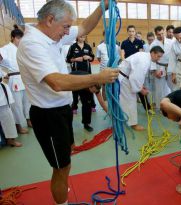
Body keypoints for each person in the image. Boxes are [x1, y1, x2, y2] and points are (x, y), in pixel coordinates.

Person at [16, 1, 119, 205]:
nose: (68, 32)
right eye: (65, 27)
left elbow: (83, 28)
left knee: (66, 161)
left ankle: (62, 194)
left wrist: (103, 6)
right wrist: (96, 78)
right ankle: (61, 202)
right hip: (48, 116)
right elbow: (56, 82)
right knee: (60, 167)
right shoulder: (32, 44)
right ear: (50, 19)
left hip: (60, 110)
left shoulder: (50, 35)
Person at [119, 46, 164, 131]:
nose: (159, 59)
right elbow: (135, 77)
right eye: (158, 56)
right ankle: (133, 124)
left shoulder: (145, 57)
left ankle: (123, 120)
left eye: (160, 57)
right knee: (130, 102)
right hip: (125, 79)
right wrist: (141, 89)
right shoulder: (144, 61)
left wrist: (141, 86)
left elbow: (138, 76)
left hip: (126, 77)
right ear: (153, 53)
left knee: (125, 101)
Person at [0, 25, 31, 134]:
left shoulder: (23, 49)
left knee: (27, 101)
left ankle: (28, 119)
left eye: (21, 38)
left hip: (24, 77)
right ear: (13, 38)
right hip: (14, 78)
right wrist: (4, 73)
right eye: (18, 38)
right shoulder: (6, 48)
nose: (19, 40)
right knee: (16, 104)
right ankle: (18, 126)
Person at [66, 35, 95, 132]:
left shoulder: (88, 46)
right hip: (75, 77)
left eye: (83, 36)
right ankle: (68, 125)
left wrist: (89, 57)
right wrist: (75, 59)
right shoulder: (73, 47)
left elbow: (92, 58)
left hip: (87, 77)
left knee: (86, 101)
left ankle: (86, 123)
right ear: (77, 37)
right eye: (80, 36)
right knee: (73, 100)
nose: (82, 38)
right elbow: (67, 59)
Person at [120, 25, 151, 113]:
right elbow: (122, 55)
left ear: (135, 32)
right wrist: (124, 63)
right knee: (128, 87)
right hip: (127, 68)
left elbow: (141, 54)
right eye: (129, 31)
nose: (131, 33)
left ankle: (147, 108)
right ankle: (127, 109)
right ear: (127, 32)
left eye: (133, 31)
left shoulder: (139, 42)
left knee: (139, 85)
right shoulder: (124, 43)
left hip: (137, 68)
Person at [150, 26, 173, 108]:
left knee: (173, 87)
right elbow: (151, 58)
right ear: (156, 34)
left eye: (162, 33)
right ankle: (160, 107)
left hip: (170, 67)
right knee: (159, 89)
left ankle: (173, 105)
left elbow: (174, 56)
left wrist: (174, 70)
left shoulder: (170, 42)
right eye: (159, 34)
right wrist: (155, 71)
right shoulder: (153, 44)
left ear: (164, 32)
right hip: (159, 67)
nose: (161, 35)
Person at [0, 66, 22, 147]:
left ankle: (11, 140)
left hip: (2, 93)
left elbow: (5, 75)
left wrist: (5, 79)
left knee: (7, 117)